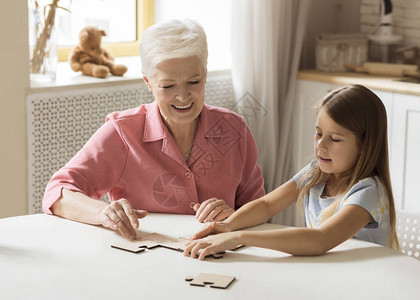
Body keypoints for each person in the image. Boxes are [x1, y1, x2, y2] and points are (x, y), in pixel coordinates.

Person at [42, 19, 265, 240]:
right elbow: (57, 192)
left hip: (220, 263)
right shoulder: (122, 133)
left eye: (193, 82)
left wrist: (234, 218)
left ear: (205, 75)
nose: (183, 96)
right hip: (142, 264)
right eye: (168, 86)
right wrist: (102, 213)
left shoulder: (234, 129)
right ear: (148, 82)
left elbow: (260, 212)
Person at [184, 84, 400, 260]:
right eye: (318, 134)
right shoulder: (317, 173)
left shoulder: (370, 192)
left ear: (365, 144)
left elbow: (320, 239)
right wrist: (226, 226)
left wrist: (238, 237)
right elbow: (267, 205)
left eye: (334, 139)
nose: (320, 146)